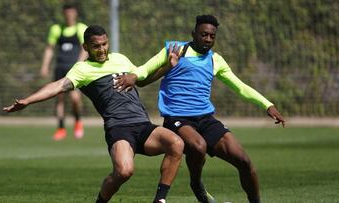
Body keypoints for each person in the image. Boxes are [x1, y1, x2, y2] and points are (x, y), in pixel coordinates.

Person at [113, 15, 285, 203]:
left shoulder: (215, 60)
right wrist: (133, 76)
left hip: (205, 118)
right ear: (193, 34)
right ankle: (196, 184)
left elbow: (240, 86)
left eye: (212, 36)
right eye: (204, 35)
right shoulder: (175, 49)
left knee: (244, 162)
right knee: (198, 145)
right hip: (177, 118)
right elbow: (146, 68)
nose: (208, 39)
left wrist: (267, 104)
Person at [3, 25, 184, 203]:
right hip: (119, 128)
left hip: (143, 125)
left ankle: (160, 199)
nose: (102, 49)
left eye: (104, 44)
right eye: (96, 46)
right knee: (124, 172)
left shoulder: (120, 59)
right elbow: (57, 86)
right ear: (86, 47)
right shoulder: (82, 69)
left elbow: (142, 80)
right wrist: (28, 100)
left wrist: (168, 66)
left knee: (176, 144)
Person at [40, 3, 88, 140]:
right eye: (66, 12)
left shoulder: (81, 28)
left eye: (71, 12)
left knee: (75, 98)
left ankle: (78, 121)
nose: (69, 14)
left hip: (74, 70)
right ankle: (61, 128)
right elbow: (49, 48)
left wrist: (79, 64)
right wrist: (45, 66)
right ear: (63, 13)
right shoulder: (56, 29)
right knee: (59, 98)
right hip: (60, 68)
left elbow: (85, 49)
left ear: (75, 13)